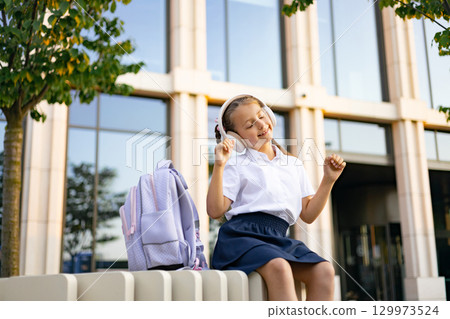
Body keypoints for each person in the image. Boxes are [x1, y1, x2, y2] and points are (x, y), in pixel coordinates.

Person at [207, 94, 346, 301]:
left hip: (278, 238)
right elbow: (215, 210)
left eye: (261, 116)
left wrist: (328, 180)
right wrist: (219, 165)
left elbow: (307, 214)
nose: (261, 125)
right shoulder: (235, 165)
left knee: (323, 271)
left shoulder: (293, 165)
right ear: (236, 139)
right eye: (250, 125)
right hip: (242, 238)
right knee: (279, 266)